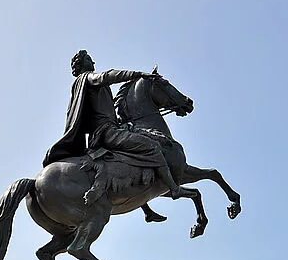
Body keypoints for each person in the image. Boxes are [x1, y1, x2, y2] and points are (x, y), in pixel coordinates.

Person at [43, 50, 184, 201]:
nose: (93, 62)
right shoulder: (87, 77)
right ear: (82, 64)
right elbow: (108, 76)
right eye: (89, 59)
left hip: (106, 131)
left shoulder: (82, 86)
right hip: (107, 132)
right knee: (152, 146)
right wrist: (137, 74)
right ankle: (174, 189)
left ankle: (146, 207)